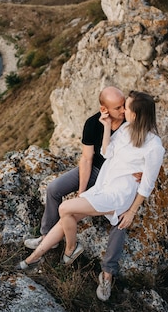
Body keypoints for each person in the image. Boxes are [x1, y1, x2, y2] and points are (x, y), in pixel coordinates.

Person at [16, 91, 165, 302]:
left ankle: (83, 257)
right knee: (70, 214)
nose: (124, 111)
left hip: (120, 193)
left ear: (137, 115)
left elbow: (148, 183)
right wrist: (105, 127)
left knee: (66, 209)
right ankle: (33, 259)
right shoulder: (125, 130)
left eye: (127, 108)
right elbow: (105, 153)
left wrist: (132, 211)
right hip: (104, 185)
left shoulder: (154, 146)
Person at [23, 86, 127, 250]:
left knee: (79, 210)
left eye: (124, 104)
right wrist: (81, 191)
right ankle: (47, 236)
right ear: (104, 109)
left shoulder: (130, 121)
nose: (123, 110)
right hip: (95, 170)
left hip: (113, 176)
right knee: (53, 189)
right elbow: (86, 159)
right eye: (118, 107)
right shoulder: (93, 124)